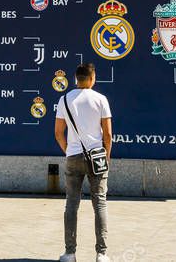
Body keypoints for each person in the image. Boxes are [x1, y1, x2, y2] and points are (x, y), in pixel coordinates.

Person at [54, 63, 113, 262]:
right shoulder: (101, 99)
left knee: (71, 205)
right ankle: (101, 254)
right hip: (97, 157)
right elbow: (108, 134)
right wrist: (106, 157)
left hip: (73, 157)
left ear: (75, 78)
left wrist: (69, 151)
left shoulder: (64, 99)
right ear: (92, 78)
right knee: (100, 205)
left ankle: (70, 253)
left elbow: (58, 133)